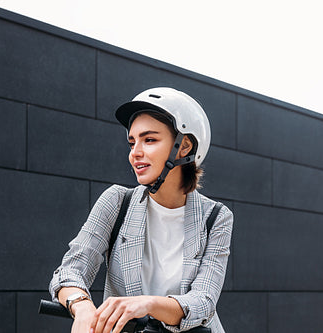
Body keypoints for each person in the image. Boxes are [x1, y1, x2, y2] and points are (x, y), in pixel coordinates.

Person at [49, 87, 233, 333]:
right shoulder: (116, 201)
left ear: (184, 146)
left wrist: (147, 304)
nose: (135, 152)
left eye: (149, 140)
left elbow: (203, 301)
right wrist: (81, 307)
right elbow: (70, 270)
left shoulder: (217, 217)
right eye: (132, 142)